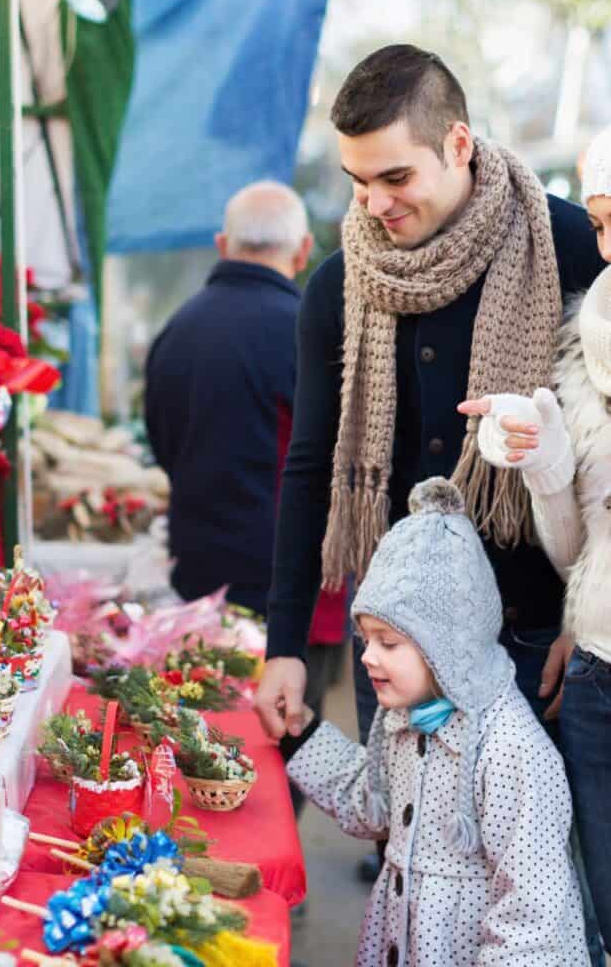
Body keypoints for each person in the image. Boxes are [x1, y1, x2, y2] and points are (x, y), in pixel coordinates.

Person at [256, 44, 605, 741]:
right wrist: (285, 645)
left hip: (534, 639)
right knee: (404, 842)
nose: (376, 204)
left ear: (458, 144)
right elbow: (311, 467)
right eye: (359, 182)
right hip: (396, 642)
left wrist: (590, 629)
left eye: (395, 176)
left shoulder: (573, 245)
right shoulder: (336, 286)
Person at [282, 478, 590, 967]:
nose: (367, 658)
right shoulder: (407, 718)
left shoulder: (512, 751)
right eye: (365, 640)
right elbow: (372, 801)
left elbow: (532, 917)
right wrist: (298, 738)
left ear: (447, 642)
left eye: (389, 642)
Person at [457, 124, 611, 951]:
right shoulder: (582, 344)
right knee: (593, 914)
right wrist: (544, 450)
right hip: (595, 670)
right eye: (602, 222)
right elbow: (579, 540)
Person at [145, 180, 313, 616]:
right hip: (284, 582)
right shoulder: (307, 331)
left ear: (222, 245)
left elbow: (162, 443)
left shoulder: (177, 328)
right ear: (304, 250)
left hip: (195, 571)